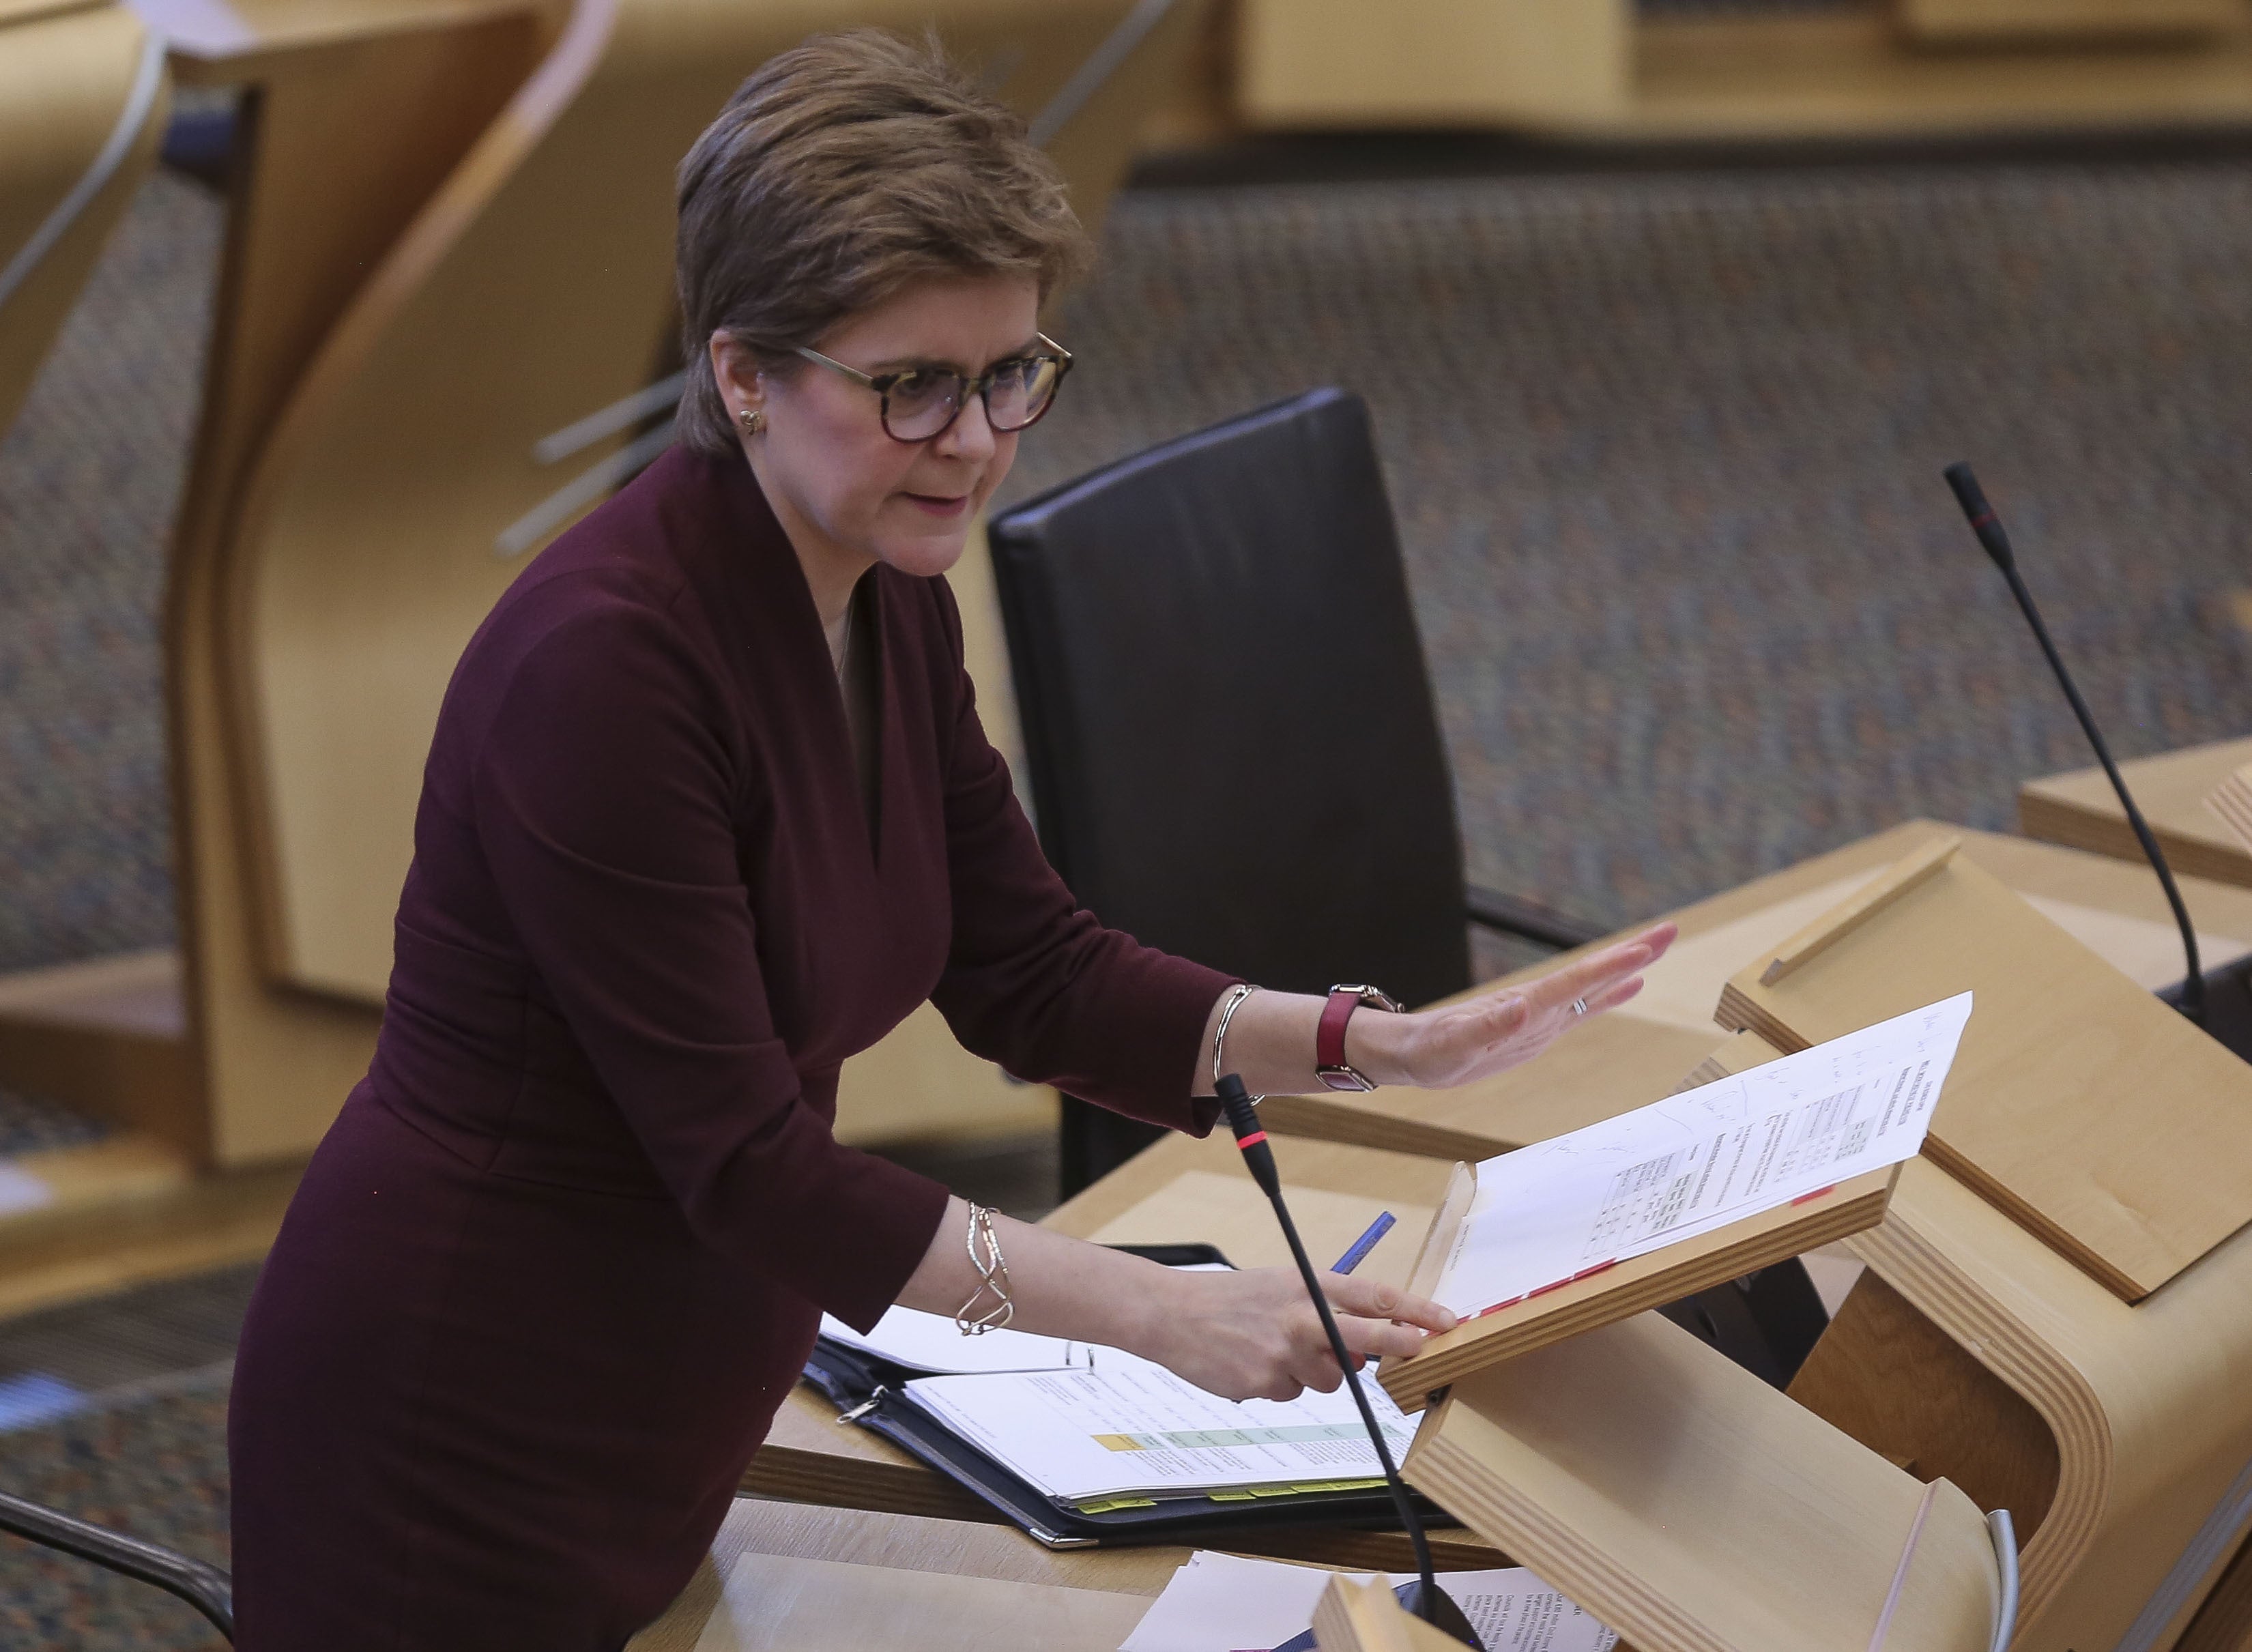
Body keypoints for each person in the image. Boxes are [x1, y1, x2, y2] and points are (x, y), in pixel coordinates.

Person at [226, 29, 1673, 1651]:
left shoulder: (876, 588)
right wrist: (1161, 1314)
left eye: (1009, 374)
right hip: (463, 1423)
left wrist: (1376, 1046)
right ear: (745, 373)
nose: (978, 438)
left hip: (676, 1397)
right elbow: (750, 1165)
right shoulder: (605, 669)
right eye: (912, 383)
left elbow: (1031, 966)